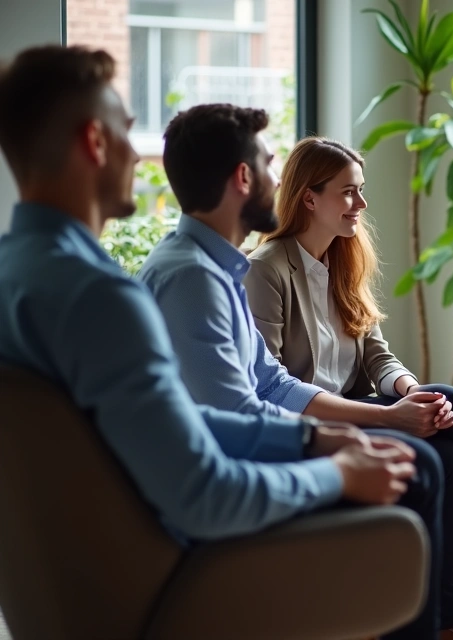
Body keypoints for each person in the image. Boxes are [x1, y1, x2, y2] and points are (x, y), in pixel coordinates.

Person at [136, 109, 453, 640]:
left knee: (444, 428)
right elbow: (261, 396)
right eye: (350, 192)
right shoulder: (246, 271)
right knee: (434, 447)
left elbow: (363, 355)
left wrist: (409, 396)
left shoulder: (318, 262)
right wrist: (380, 423)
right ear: (306, 196)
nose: (362, 204)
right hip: (296, 426)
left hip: (333, 407)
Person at [0, 46, 418, 546]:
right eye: (125, 130)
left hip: (76, 559)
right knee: (423, 475)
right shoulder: (102, 297)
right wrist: (339, 473)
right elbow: (204, 493)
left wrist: (310, 435)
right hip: (167, 557)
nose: (136, 153)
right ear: (94, 141)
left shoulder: (21, 272)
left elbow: (175, 421)